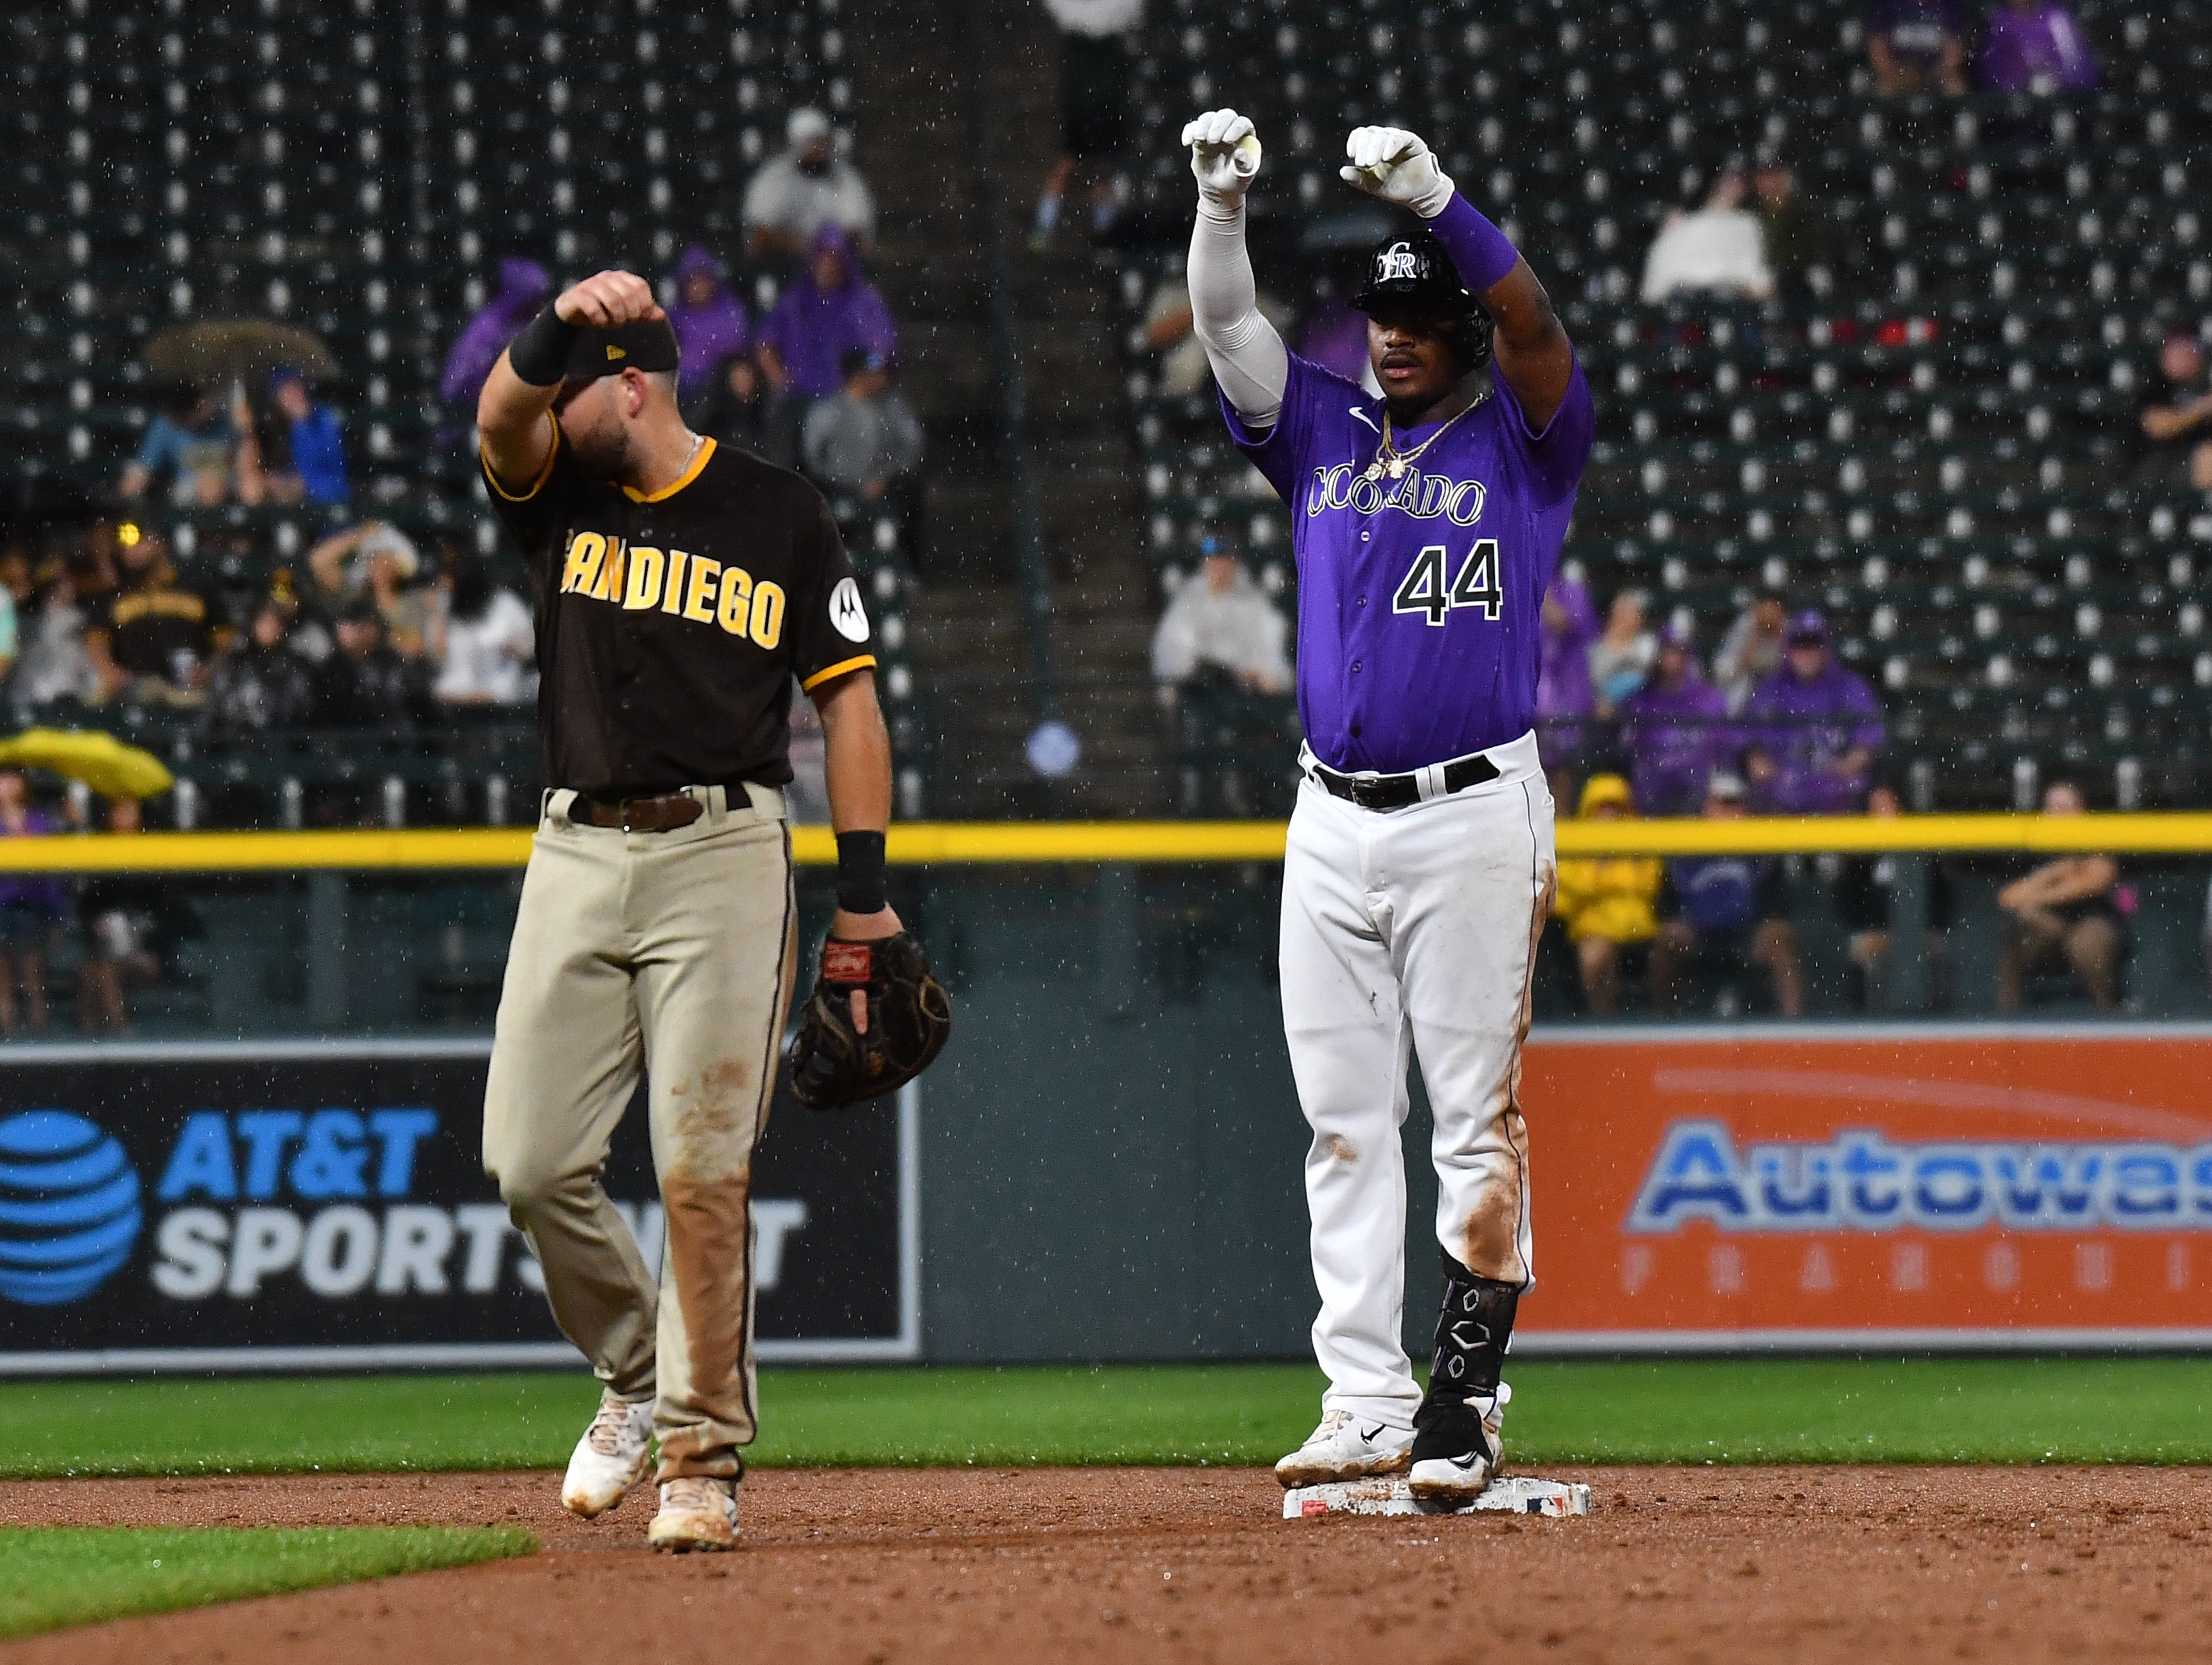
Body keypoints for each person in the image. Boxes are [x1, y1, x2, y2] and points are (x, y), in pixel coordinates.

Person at [1183, 108, 1592, 1502]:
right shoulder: (1319, 429)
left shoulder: (1523, 446)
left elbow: (1531, 316)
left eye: (1422, 315)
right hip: (1327, 815)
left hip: (1470, 810)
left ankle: (1464, 1398)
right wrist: (1221, 209)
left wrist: (1441, 203)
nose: (1394, 333)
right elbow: (1228, 331)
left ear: (1461, 335)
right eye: (1379, 314)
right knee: (1345, 1121)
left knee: (1473, 1118)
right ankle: (1361, 1398)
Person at [475, 265, 900, 1550]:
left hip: (723, 850)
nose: (548, 400)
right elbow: (498, 421)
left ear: (627, 388)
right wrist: (552, 316)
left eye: (570, 379)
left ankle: (700, 1459)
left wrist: (864, 901)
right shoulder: (561, 487)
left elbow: (849, 702)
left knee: (701, 1165)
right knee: (529, 1163)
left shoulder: (777, 511)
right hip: (574, 849)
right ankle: (632, 1373)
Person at [1650, 772, 1804, 1018]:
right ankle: (1659, 1026)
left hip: (1748, 933)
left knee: (1779, 937)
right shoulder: (1685, 845)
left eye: (1736, 803)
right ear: (1707, 806)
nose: (1731, 811)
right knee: (1668, 938)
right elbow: (1667, 905)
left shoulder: (1761, 849)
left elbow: (1776, 906)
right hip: (1697, 933)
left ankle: (1795, 1029)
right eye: (1723, 803)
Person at [756, 227, 898, 465]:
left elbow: (883, 354)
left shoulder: (865, 302)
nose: (828, 266)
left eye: (834, 259)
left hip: (850, 401)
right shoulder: (795, 300)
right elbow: (766, 344)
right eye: (822, 258)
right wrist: (780, 378)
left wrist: (868, 380)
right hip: (799, 400)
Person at [1996, 780, 2124, 1012]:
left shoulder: (2095, 840)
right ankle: (2004, 1020)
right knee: (2027, 926)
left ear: (2081, 813)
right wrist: (2054, 873)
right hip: (2046, 925)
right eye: (2051, 808)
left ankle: (2109, 1016)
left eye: (2064, 808)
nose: (2056, 815)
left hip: (2090, 920)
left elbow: (2095, 881)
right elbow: (2008, 898)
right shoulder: (2034, 846)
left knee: (2087, 942)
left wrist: (2039, 894)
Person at [78, 794, 198, 1036]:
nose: (124, 818)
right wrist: (97, 926)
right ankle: (89, 1037)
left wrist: (152, 950)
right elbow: (89, 909)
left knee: (105, 971)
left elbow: (170, 914)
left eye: (130, 811)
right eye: (118, 811)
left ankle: (122, 1034)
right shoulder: (101, 854)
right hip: (109, 951)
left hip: (149, 956)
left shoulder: (153, 855)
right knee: (90, 970)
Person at [1742, 611, 1884, 813]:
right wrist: (1758, 761)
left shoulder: (1850, 687)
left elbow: (1869, 742)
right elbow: (1749, 743)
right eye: (1799, 644)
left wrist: (1846, 765)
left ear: (1825, 648)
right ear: (1788, 649)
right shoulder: (1770, 689)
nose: (1807, 652)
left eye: (1813, 644)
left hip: (1837, 791)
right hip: (1781, 791)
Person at [1835, 781, 1955, 1012]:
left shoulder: (1924, 850)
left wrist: (1916, 929)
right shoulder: (1857, 858)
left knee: (1934, 950)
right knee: (1866, 951)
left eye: (1888, 807)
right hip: (1873, 929)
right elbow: (1849, 904)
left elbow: (1942, 899)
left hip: (1922, 931)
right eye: (1876, 809)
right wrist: (1880, 929)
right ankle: (1866, 1022)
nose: (1884, 815)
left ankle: (1935, 1019)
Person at [1030, 0, 1141, 249]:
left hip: (1097, 110)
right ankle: (1046, 227)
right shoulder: (1083, 47)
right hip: (1087, 111)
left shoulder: (1105, 46)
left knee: (1095, 171)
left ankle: (1103, 231)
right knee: (1074, 167)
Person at [1551, 774, 1662, 1018]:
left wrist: (1602, 881)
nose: (1609, 816)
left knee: (1672, 945)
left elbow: (1648, 885)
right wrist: (1603, 872)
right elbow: (1566, 894)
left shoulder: (1639, 838)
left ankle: (1661, 1020)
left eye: (1616, 809)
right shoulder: (1575, 841)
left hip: (1641, 929)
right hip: (1593, 929)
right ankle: (1604, 1023)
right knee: (1594, 957)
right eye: (1602, 809)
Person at [84, 531, 219, 704]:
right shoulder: (116, 593)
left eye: (138, 542)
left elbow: (225, 642)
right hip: (133, 692)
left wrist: (209, 669)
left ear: (160, 542)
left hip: (187, 692)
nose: (130, 550)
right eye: (125, 545)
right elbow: (96, 639)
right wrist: (111, 672)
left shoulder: (196, 587)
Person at [1150, 534, 1291, 696]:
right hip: (1201, 693)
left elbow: (1271, 650)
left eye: (1223, 560)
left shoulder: (1254, 602)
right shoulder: (1187, 601)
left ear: (1234, 563)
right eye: (1211, 560)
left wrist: (1260, 673)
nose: (1217, 566)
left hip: (1245, 694)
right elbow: (1173, 650)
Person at [1620, 624, 1731, 815]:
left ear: (1688, 656)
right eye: (1668, 650)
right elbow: (1627, 749)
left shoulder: (1709, 699)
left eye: (1679, 651)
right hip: (1652, 791)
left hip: (1697, 791)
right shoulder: (1640, 700)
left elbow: (1722, 749)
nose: (1673, 658)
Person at [742, 107, 877, 260]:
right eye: (810, 143)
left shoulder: (845, 178)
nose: (816, 149)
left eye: (821, 143)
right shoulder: (774, 178)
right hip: (785, 265)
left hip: (833, 264)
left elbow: (859, 232)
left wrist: (824, 246)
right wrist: (796, 246)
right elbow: (759, 234)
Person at [802, 349, 924, 504]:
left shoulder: (893, 406)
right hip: (839, 492)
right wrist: (851, 483)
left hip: (888, 489)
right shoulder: (828, 410)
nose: (882, 379)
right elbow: (813, 458)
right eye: (873, 375)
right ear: (856, 377)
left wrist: (885, 478)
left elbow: (913, 446)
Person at [1638, 171, 1775, 305]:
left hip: (1730, 300)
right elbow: (1659, 281)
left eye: (1736, 182)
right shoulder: (1683, 225)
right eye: (1727, 182)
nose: (1732, 186)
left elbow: (1757, 280)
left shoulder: (1747, 224)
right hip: (1685, 302)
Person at [197, 585, 317, 736]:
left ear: (284, 627)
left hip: (280, 749)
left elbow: (304, 719)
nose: (270, 628)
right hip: (235, 749)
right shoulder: (234, 667)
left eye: (276, 622)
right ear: (253, 624)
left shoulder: (296, 669)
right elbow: (211, 716)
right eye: (265, 621)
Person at [440, 257, 553, 414]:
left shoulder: (526, 322)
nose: (539, 303)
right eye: (534, 298)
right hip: (470, 412)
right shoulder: (490, 326)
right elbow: (459, 386)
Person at [0, 769, 64, 1037]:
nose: (6, 785)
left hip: (33, 908)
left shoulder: (40, 822)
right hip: (3, 908)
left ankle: (40, 1036)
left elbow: (52, 875)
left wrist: (57, 916)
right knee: (3, 979)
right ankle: (9, 1034)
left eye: (12, 779)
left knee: (34, 975)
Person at [431, 555, 536, 707]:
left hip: (499, 693)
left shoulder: (505, 603)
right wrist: (439, 615)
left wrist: (516, 647)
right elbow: (439, 655)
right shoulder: (447, 607)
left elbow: (531, 647)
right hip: (456, 694)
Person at [120, 386, 238, 507]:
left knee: (252, 488)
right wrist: (126, 493)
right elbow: (143, 470)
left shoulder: (224, 421)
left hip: (230, 481)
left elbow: (246, 464)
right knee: (210, 490)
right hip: (187, 487)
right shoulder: (165, 426)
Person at [248, 369, 350, 506]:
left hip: (320, 505)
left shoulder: (323, 418)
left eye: (295, 387)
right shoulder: (270, 426)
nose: (293, 394)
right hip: (281, 504)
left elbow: (333, 475)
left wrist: (302, 426)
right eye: (286, 390)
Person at [666, 247, 750, 409]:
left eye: (703, 279)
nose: (699, 286)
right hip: (683, 392)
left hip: (721, 388)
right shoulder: (674, 316)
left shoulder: (730, 309)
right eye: (693, 280)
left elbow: (736, 348)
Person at [2134, 333, 2212, 492]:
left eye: (2191, 349)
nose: (2185, 356)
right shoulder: (2155, 384)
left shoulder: (2205, 380)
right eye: (2177, 351)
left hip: (2197, 456)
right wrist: (2201, 409)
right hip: (2164, 463)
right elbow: (2154, 426)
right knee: (2207, 457)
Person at [13, 562, 98, 707]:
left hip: (72, 699)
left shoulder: (80, 622)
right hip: (35, 700)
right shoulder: (29, 625)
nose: (70, 587)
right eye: (64, 583)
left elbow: (90, 675)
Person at [1979, 0, 2098, 93]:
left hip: (2060, 104)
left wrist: (2055, 81)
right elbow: (1992, 75)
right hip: (2013, 109)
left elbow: (2080, 72)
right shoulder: (1999, 22)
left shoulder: (2056, 19)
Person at [1751, 162, 1825, 296]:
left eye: (1775, 177)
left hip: (1797, 277)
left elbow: (1813, 249)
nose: (1770, 183)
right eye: (1764, 178)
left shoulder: (1804, 210)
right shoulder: (1752, 211)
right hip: (1760, 278)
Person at [1865, 1, 1969, 95]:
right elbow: (1878, 50)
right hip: (1897, 74)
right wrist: (1902, 75)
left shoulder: (1947, 6)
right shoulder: (1889, 6)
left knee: (1956, 88)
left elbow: (1954, 53)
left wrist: (1934, 75)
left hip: (1937, 75)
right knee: (1882, 90)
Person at [1713, 591, 1787, 713]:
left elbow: (1790, 668)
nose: (1769, 614)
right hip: (1740, 700)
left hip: (1777, 700)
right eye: (1765, 607)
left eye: (1774, 608)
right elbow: (1721, 675)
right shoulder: (1745, 625)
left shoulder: (1789, 629)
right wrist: (1755, 633)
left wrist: (1778, 634)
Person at [1587, 588, 1655, 716]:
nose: (1623, 616)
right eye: (1620, 611)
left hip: (1634, 710)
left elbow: (1641, 676)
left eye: (1630, 611)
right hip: (1595, 711)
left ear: (1641, 618)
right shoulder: (1596, 646)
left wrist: (1611, 700)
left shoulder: (1646, 643)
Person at [692, 352, 770, 455]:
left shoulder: (761, 415)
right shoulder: (713, 419)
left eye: (747, 375)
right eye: (739, 376)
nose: (744, 381)